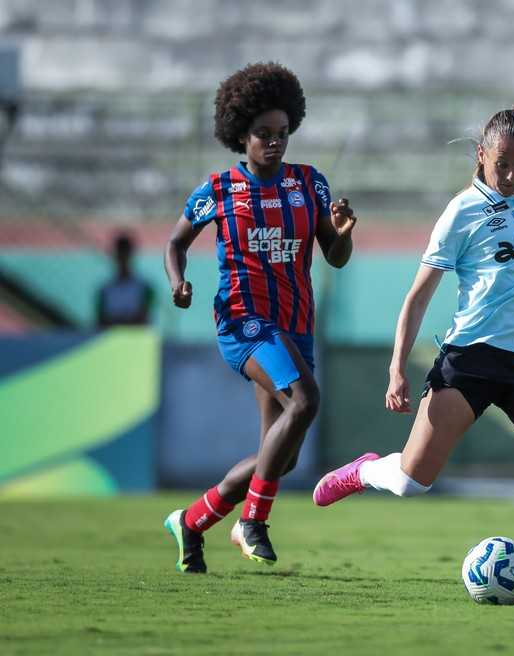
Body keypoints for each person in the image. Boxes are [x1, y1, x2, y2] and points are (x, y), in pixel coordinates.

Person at [312, 106, 514, 606]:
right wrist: (396, 369)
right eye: (503, 165)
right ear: (481, 155)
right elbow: (417, 297)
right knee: (412, 481)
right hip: (471, 361)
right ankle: (364, 471)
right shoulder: (460, 213)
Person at [162, 62, 358, 573]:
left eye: (282, 134)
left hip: (294, 328)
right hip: (244, 322)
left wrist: (343, 231)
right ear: (240, 135)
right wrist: (178, 282)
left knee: (283, 455)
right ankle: (252, 521)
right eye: (263, 134)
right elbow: (175, 242)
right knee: (306, 400)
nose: (274, 143)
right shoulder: (220, 189)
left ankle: (191, 521)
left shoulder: (309, 184)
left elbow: (334, 256)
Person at [96, 231, 153, 327]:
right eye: (120, 252)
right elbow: (100, 322)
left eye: (125, 252)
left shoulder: (145, 288)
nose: (122, 257)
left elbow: (143, 320)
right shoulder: (104, 290)